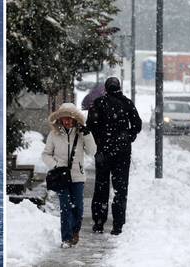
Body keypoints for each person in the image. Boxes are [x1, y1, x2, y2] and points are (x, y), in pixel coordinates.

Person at [86, 77, 142, 235]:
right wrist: (128, 136)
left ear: (106, 88)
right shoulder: (127, 103)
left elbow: (91, 125)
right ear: (119, 87)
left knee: (101, 187)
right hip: (122, 153)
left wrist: (100, 140)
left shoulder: (98, 103)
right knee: (120, 188)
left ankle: (98, 221)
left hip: (103, 152)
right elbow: (137, 124)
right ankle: (118, 224)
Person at [42, 103, 96, 248]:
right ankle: (66, 238)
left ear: (74, 120)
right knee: (65, 207)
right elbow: (46, 154)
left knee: (77, 207)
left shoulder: (81, 133)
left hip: (77, 176)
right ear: (60, 119)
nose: (67, 121)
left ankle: (75, 231)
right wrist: (55, 165)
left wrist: (87, 134)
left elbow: (92, 151)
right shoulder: (54, 134)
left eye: (70, 118)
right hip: (61, 177)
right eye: (64, 118)